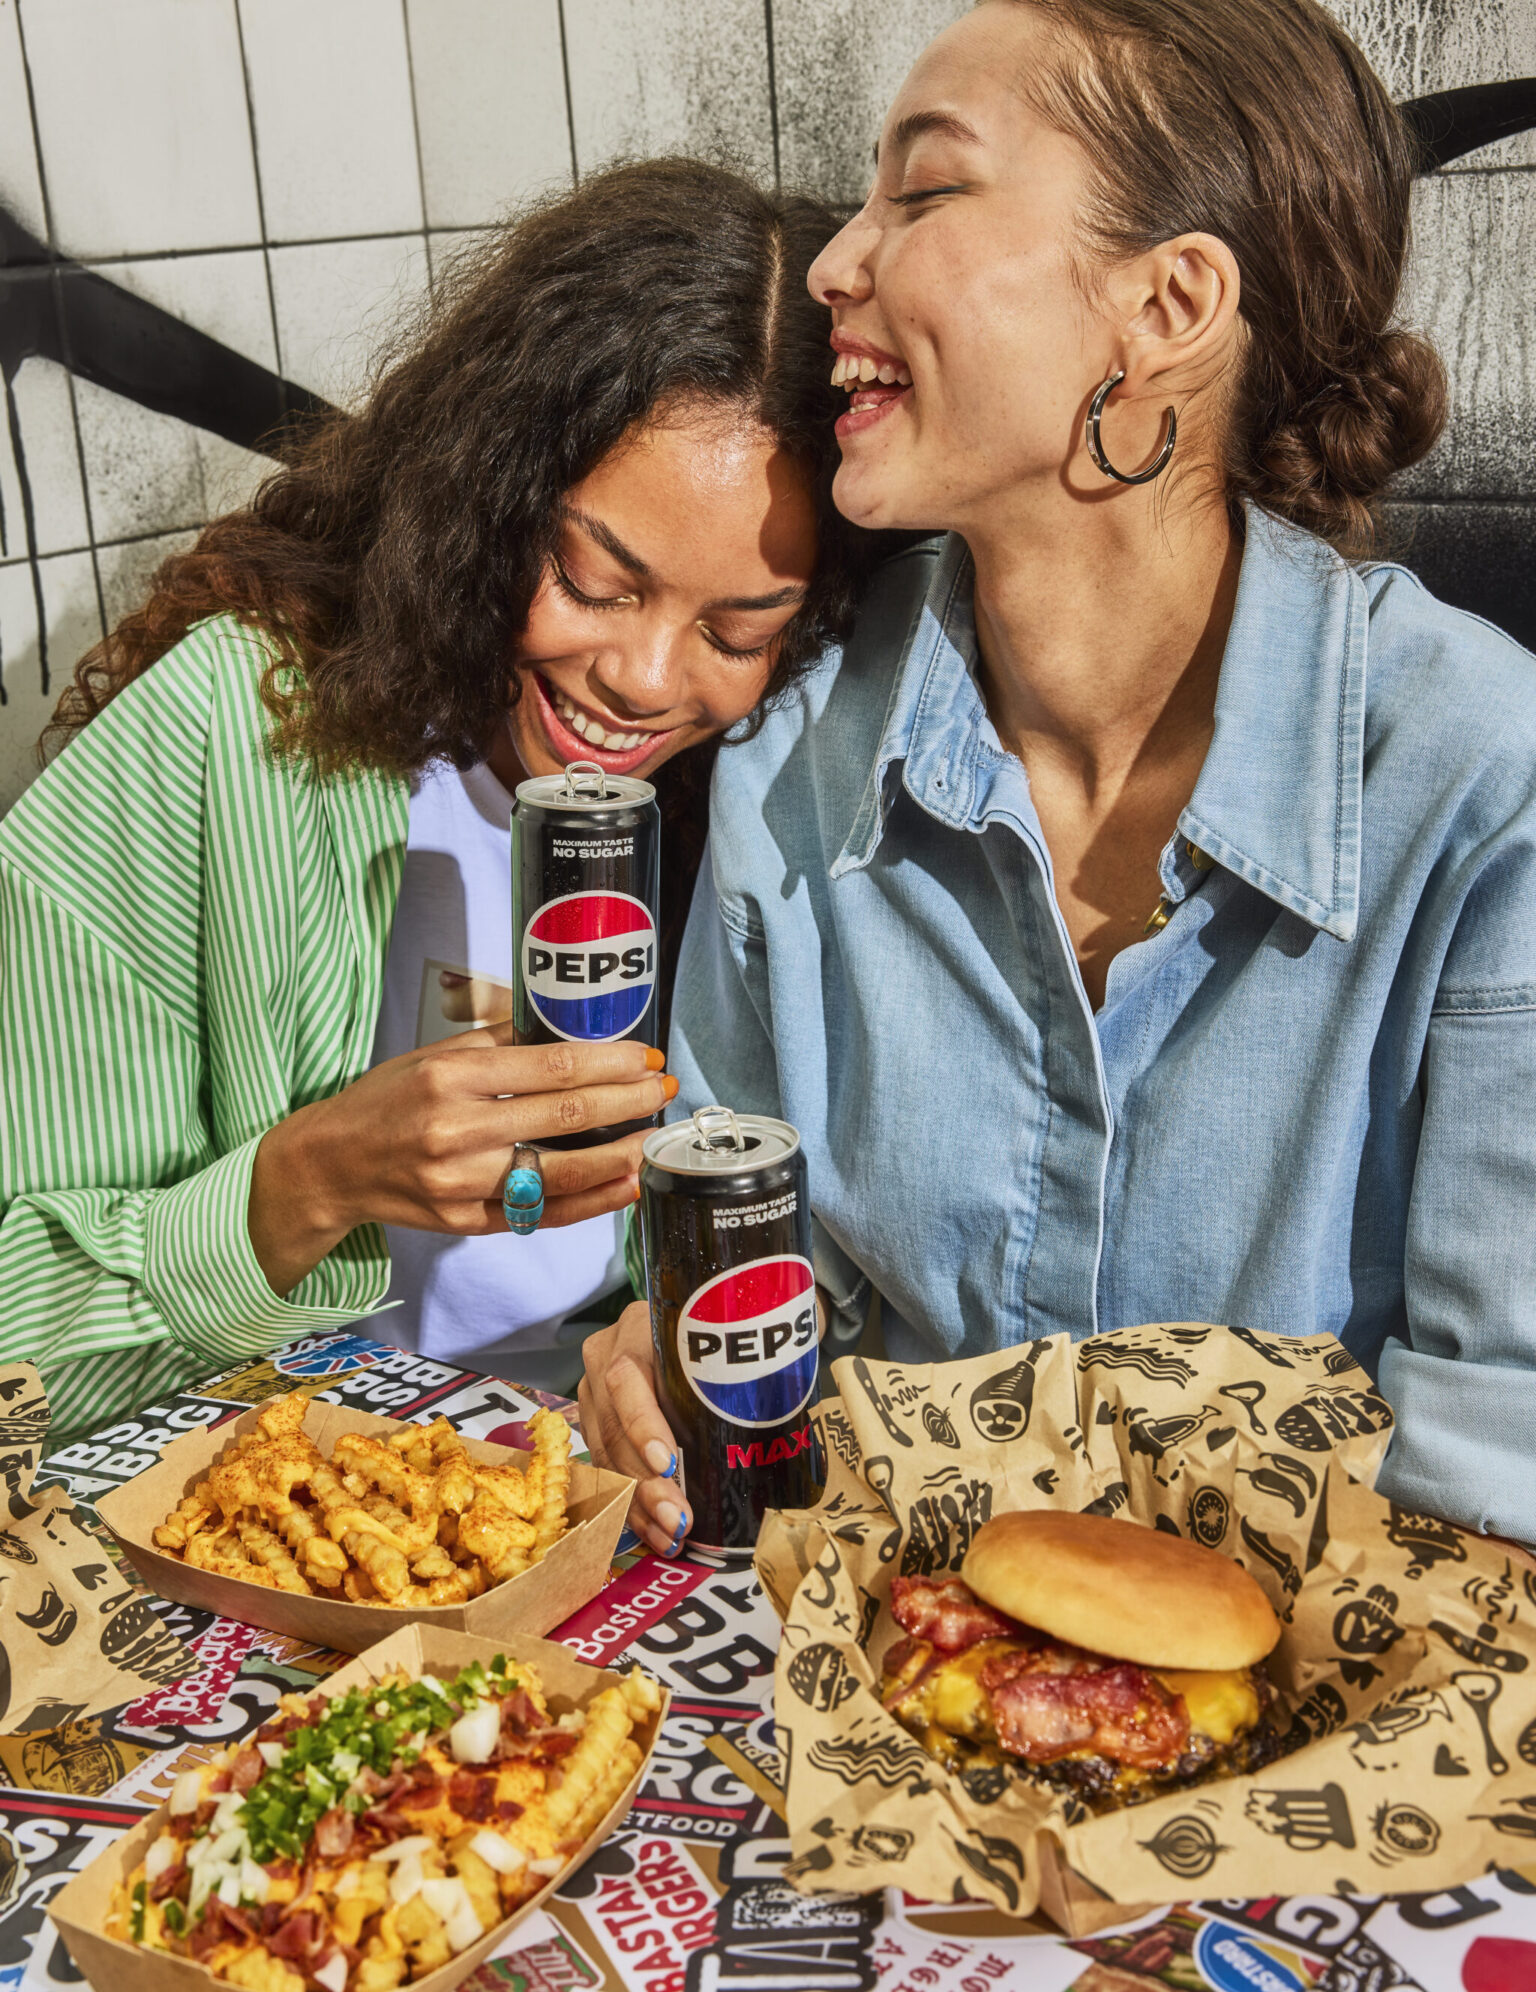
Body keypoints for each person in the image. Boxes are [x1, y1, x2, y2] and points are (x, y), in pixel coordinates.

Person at [580, 0, 1536, 1558]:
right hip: (885, 1698)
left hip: (1341, 1743)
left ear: (1168, 304)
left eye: (927, 191)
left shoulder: (1482, 787)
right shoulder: (795, 763)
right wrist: (664, 1358)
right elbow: (755, 1318)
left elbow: (1501, 1478)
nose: (834, 262)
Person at [0, 159, 867, 1448]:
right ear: (490, 491)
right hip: (291, 1524)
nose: (639, 679)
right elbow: (20, 1343)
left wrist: (648, 1352)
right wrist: (303, 1183)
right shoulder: (223, 739)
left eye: (736, 635)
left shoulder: (786, 791)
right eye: (592, 579)